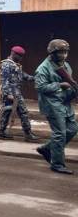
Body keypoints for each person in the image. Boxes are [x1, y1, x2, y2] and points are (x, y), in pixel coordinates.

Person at [35, 39, 77, 175]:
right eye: (60, 53)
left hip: (65, 102)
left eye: (65, 52)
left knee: (72, 129)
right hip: (52, 104)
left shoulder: (65, 65)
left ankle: (47, 148)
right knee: (60, 133)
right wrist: (59, 85)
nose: (64, 55)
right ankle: (57, 164)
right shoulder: (43, 68)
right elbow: (40, 87)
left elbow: (69, 81)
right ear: (52, 53)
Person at [0, 46, 38, 142]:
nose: (21, 58)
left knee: (10, 112)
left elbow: (22, 75)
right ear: (13, 54)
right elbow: (4, 80)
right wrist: (7, 94)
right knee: (17, 112)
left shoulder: (15, 64)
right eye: (19, 56)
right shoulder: (6, 65)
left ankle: (1, 132)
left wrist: (33, 78)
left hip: (16, 92)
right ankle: (27, 134)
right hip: (11, 93)